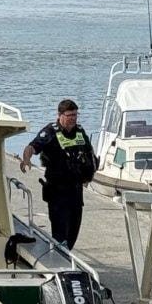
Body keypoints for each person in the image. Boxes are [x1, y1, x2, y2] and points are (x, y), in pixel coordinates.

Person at [20, 99, 97, 250]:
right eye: (69, 115)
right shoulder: (50, 132)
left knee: (73, 230)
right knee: (60, 231)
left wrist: (90, 172)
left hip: (75, 190)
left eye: (75, 115)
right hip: (57, 190)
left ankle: (67, 255)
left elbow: (89, 153)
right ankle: (60, 260)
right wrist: (26, 159)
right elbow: (32, 147)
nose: (73, 118)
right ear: (60, 115)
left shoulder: (80, 132)